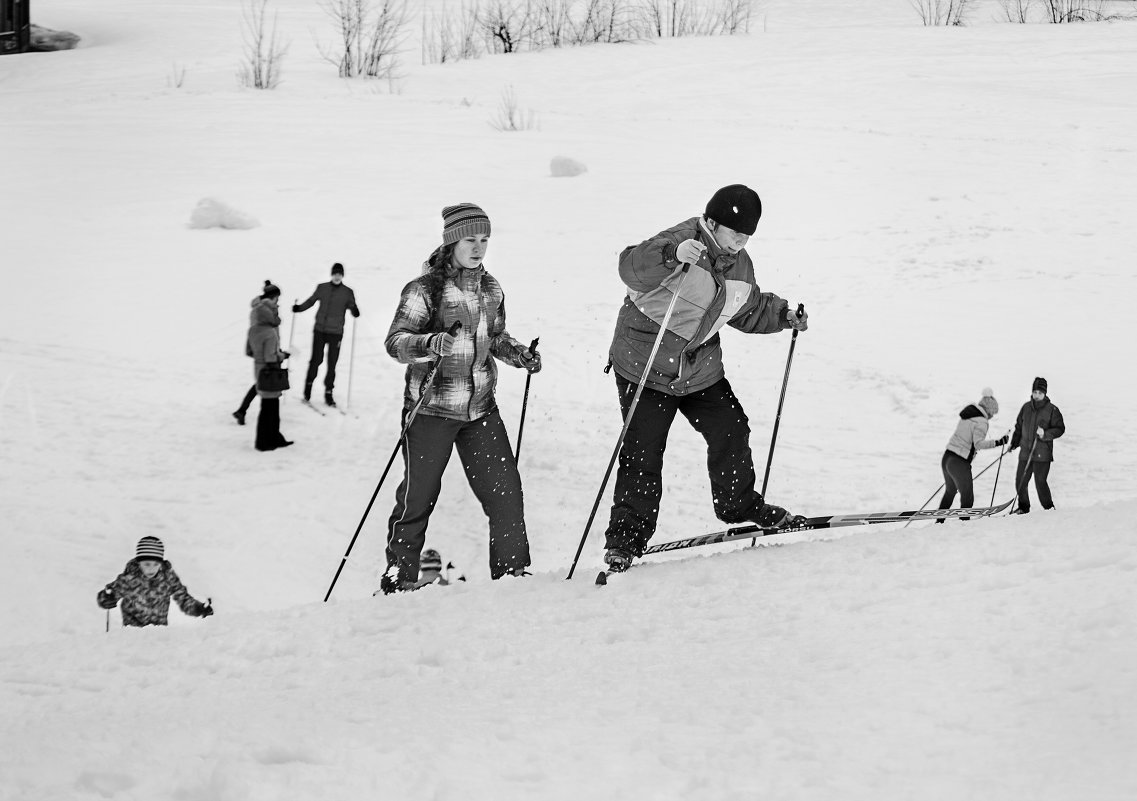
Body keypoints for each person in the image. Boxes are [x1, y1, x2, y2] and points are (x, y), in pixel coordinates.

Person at [601, 184, 809, 573]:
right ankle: (625, 542)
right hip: (645, 367)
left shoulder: (741, 264)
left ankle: (738, 504)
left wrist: (783, 316)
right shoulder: (680, 242)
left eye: (747, 235)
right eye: (735, 233)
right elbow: (631, 267)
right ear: (712, 221)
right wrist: (671, 256)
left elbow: (747, 310)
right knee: (643, 452)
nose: (740, 242)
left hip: (699, 370)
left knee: (731, 427)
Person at [380, 203, 540, 594]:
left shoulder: (491, 288)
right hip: (431, 410)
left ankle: (512, 578)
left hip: (481, 410)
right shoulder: (424, 290)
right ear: (452, 240)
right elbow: (396, 342)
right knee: (417, 500)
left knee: (506, 495)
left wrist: (519, 354)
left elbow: (495, 337)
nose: (479, 247)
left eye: (484, 239)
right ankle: (399, 580)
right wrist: (430, 342)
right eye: (471, 238)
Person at [96, 536, 213, 627]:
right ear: (139, 563)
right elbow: (110, 592)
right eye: (147, 564)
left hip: (158, 632)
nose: (151, 569)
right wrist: (106, 598)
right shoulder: (129, 578)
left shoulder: (168, 577)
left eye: (156, 564)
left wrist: (200, 609)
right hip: (133, 631)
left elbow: (182, 597)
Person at [293, 262, 360, 407]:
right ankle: (307, 391)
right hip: (320, 330)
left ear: (342, 276)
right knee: (315, 360)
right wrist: (299, 308)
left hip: (336, 333)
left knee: (332, 363)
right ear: (332, 274)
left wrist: (354, 310)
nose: (337, 276)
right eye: (335, 274)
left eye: (339, 274)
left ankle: (328, 393)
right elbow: (311, 301)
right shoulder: (322, 287)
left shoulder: (347, 292)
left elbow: (351, 305)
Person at [936, 388, 1008, 521]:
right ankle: (964, 526)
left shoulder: (968, 415)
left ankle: (938, 523)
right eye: (992, 413)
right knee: (967, 498)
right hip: (959, 462)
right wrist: (998, 442)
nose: (991, 417)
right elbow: (978, 444)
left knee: (950, 492)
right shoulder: (982, 422)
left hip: (947, 458)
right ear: (988, 410)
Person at [247, 280, 293, 451]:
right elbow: (271, 357)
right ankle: (266, 441)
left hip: (258, 371)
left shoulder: (253, 329)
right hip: (270, 373)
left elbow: (249, 351)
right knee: (270, 411)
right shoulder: (270, 333)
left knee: (267, 409)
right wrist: (283, 355)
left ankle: (272, 439)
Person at [1009, 376, 1065, 513]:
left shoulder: (1052, 410)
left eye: (1040, 392)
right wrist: (1014, 443)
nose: (1037, 395)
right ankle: (1023, 507)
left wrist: (1045, 434)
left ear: (1045, 393)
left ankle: (1049, 508)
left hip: (1042, 454)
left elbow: (1060, 429)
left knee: (1040, 482)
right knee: (1020, 481)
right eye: (1035, 392)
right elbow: (1019, 427)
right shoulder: (1026, 408)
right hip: (1025, 452)